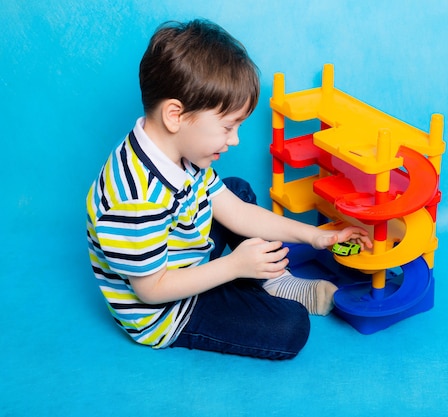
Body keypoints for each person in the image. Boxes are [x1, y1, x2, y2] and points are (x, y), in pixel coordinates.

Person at [86, 19, 371, 360]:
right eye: (228, 127)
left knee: (236, 190)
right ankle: (256, 283)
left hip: (184, 253)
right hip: (165, 309)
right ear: (175, 115)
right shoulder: (135, 201)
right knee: (291, 328)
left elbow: (236, 211)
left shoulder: (180, 153)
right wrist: (234, 267)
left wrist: (315, 236)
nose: (234, 140)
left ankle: (275, 281)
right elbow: (151, 290)